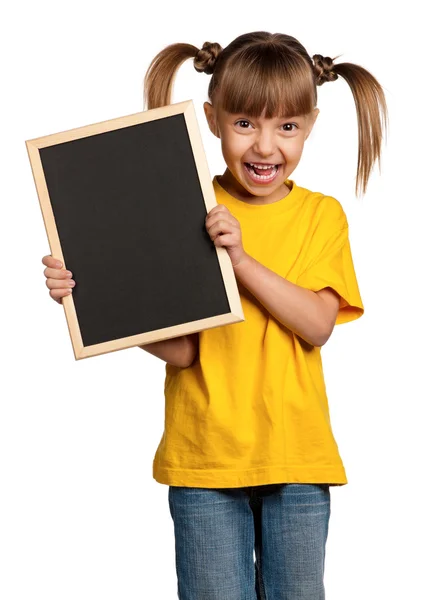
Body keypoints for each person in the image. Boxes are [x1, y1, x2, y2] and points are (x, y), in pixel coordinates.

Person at [41, 31, 388, 600]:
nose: (265, 147)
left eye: (287, 127)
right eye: (245, 123)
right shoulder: (186, 205)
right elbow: (184, 350)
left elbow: (317, 325)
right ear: (212, 118)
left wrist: (241, 260)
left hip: (295, 457)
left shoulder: (321, 216)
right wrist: (92, 297)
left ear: (311, 125)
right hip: (203, 459)